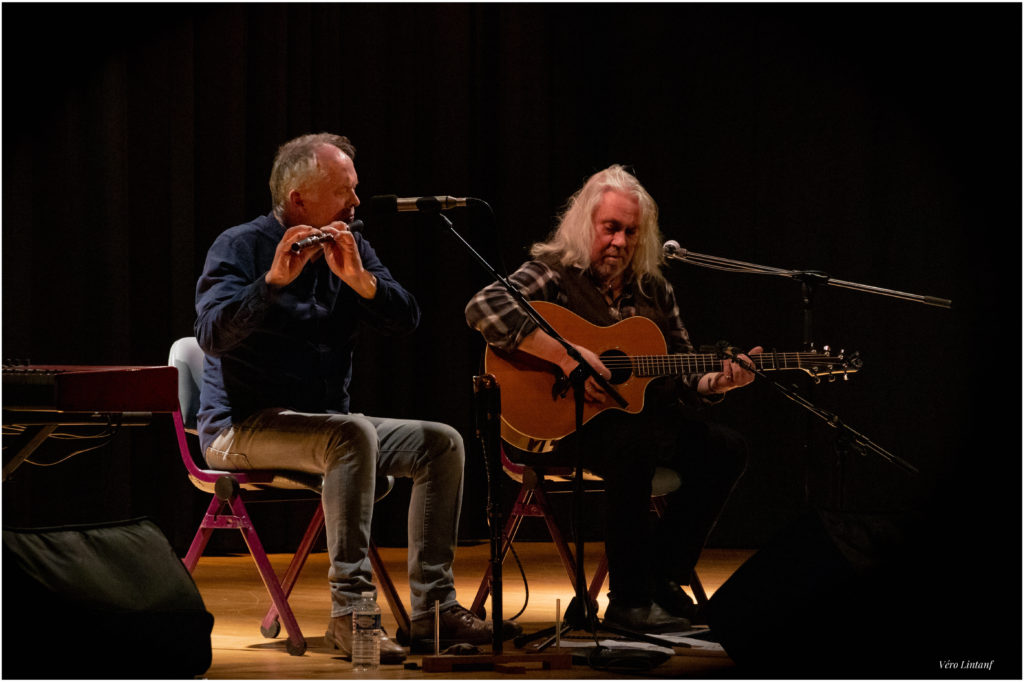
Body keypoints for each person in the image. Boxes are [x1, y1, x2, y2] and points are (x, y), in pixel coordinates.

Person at [195, 132, 519, 661]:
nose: (356, 201)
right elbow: (211, 334)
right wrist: (272, 283)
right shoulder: (241, 246)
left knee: (441, 443)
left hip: (329, 428)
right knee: (350, 434)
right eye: (345, 190)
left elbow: (407, 317)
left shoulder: (351, 244)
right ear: (300, 199)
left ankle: (432, 611)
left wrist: (362, 282)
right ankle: (352, 613)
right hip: (240, 428)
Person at [465, 164, 761, 633]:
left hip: (639, 424)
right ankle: (628, 600)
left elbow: (683, 366)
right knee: (635, 443)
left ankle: (663, 577)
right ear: (587, 225)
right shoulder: (554, 274)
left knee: (726, 448)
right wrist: (565, 356)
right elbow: (484, 308)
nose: (620, 242)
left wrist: (715, 383)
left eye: (630, 232)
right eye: (611, 229)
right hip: (563, 428)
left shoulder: (654, 290)